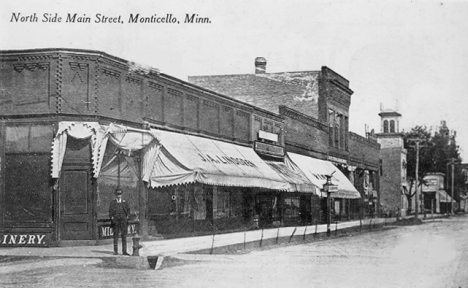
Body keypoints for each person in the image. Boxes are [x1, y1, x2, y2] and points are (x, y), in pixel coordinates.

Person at [109, 188, 130, 255]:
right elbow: (110, 212)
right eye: (117, 194)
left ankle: (124, 251)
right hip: (116, 221)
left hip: (123, 221)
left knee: (124, 236)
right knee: (116, 236)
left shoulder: (125, 202)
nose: (119, 195)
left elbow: (128, 210)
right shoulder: (113, 203)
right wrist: (112, 218)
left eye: (120, 194)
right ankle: (116, 251)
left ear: (122, 194)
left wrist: (127, 217)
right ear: (115, 195)